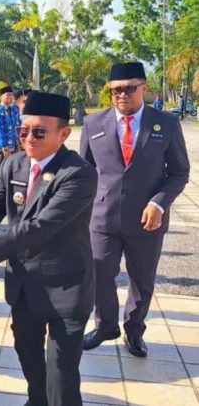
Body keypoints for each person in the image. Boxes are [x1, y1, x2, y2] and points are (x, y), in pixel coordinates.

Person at [0, 91, 98, 406]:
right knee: (28, 356)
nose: (29, 138)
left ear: (63, 134)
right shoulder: (12, 164)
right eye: (23, 130)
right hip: (24, 286)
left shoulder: (78, 173)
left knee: (61, 376)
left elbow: (41, 227)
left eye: (39, 132)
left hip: (65, 287)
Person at [81, 62, 190, 358]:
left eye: (130, 88)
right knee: (99, 273)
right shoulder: (93, 123)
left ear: (144, 88)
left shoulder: (165, 124)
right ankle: (105, 326)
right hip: (103, 217)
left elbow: (179, 173)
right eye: (116, 90)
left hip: (147, 220)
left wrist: (158, 203)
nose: (122, 95)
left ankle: (134, 329)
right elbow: (85, 171)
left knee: (142, 280)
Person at [0, 85, 21, 169]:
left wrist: (19, 142)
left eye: (11, 95)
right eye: (7, 95)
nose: (10, 97)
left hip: (14, 145)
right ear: (1, 96)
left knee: (14, 170)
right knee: (2, 169)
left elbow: (17, 125)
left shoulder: (14, 109)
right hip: (3, 148)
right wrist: (4, 148)